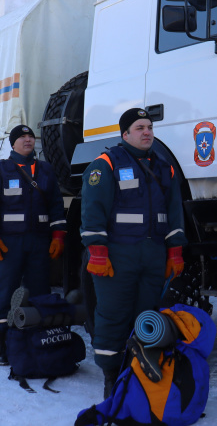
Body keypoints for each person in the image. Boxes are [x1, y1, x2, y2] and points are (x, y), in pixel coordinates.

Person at [80, 107, 188, 397]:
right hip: (117, 257)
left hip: (153, 257)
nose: (147, 132)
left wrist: (175, 252)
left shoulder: (165, 167)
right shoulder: (106, 164)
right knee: (113, 316)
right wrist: (98, 253)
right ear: (125, 134)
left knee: (147, 317)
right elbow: (92, 211)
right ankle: (110, 377)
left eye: (149, 127)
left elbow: (175, 212)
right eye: (139, 127)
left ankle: (139, 372)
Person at [0, 124, 67, 366]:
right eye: (22, 137)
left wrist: (58, 235)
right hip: (9, 244)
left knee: (39, 293)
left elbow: (56, 206)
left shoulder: (45, 170)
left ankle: (35, 342)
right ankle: (2, 346)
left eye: (30, 136)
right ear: (13, 143)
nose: (28, 140)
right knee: (4, 293)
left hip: (39, 243)